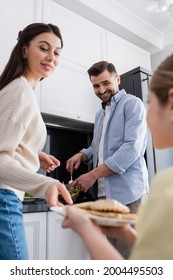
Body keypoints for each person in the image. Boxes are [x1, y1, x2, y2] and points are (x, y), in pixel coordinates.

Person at [63, 53, 173, 259]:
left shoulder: (132, 104)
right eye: (96, 86)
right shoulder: (100, 114)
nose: (101, 90)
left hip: (129, 195)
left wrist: (92, 175)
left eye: (106, 83)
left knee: (132, 257)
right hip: (105, 195)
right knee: (113, 255)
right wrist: (82, 155)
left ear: (117, 79)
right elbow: (98, 147)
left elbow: (131, 149)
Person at [0, 23, 73, 260]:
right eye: (44, 48)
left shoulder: (21, 89)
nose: (51, 57)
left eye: (57, 52)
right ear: (24, 50)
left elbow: (7, 145)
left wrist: (31, 153)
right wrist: (45, 184)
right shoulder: (21, 90)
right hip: (4, 198)